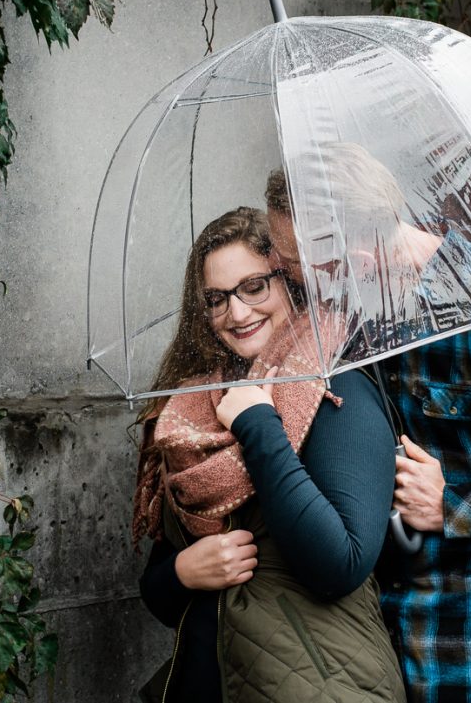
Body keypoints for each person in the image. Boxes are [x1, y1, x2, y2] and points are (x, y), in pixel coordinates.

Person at [265, 148, 471, 703]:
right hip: (381, 644)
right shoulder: (364, 317)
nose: (301, 282)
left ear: (362, 257)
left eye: (304, 267)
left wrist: (456, 506)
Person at [133, 206, 406, 703]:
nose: (236, 314)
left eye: (254, 287)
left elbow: (338, 565)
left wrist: (260, 426)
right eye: (216, 299)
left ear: (291, 282)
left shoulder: (337, 389)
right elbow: (158, 590)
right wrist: (181, 573)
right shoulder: (193, 410)